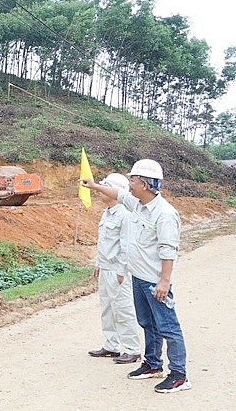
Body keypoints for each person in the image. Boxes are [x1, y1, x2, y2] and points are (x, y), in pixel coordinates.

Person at [81, 159, 191, 393]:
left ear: (144, 183)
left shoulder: (164, 213)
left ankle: (179, 374)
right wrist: (93, 186)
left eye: (132, 179)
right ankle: (153, 364)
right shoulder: (138, 205)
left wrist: (164, 281)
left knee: (168, 327)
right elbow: (118, 195)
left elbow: (168, 250)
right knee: (147, 323)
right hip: (139, 278)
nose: (128, 184)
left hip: (154, 281)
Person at [87, 172, 141, 364]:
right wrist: (98, 263)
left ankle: (133, 349)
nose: (101, 191)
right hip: (105, 268)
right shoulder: (107, 212)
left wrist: (121, 271)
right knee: (107, 308)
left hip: (118, 271)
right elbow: (104, 242)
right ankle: (111, 345)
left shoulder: (125, 214)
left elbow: (126, 246)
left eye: (106, 186)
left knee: (123, 309)